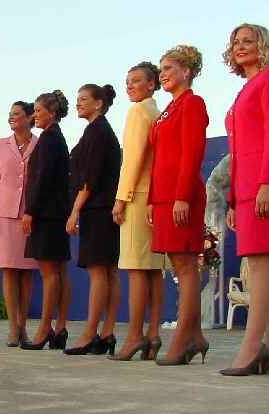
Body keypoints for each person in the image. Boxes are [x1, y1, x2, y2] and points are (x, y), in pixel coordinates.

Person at [221, 24, 269, 376]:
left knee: (262, 263)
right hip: (247, 188)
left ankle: (252, 348)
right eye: (236, 42)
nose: (241, 46)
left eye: (248, 41)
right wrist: (234, 199)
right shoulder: (245, 88)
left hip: (264, 184)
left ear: (263, 45)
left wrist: (268, 182)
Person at [148, 45, 209, 365]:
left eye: (169, 67)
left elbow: (192, 152)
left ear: (187, 71)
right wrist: (152, 198)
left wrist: (182, 196)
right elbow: (159, 157)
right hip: (163, 197)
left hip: (181, 197)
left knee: (185, 267)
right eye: (161, 69)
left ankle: (184, 338)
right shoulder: (168, 110)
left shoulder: (192, 104)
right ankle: (195, 337)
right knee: (177, 264)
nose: (163, 74)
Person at [112, 62, 166, 361]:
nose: (129, 86)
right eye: (127, 81)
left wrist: (121, 198)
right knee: (154, 269)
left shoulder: (138, 112)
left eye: (136, 80)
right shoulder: (157, 112)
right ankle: (153, 334)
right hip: (154, 197)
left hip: (137, 196)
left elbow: (132, 159)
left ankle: (134, 336)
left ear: (151, 84)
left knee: (135, 269)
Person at [64, 84, 121, 356]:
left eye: (84, 99)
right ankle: (107, 333)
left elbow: (91, 177)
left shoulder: (97, 131)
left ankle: (90, 334)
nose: (78, 103)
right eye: (77, 99)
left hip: (98, 209)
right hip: (103, 208)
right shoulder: (98, 130)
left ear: (99, 103)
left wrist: (75, 210)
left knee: (100, 271)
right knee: (109, 271)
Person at [0, 101, 38, 347]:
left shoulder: (40, 144)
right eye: (10, 114)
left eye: (16, 114)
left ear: (29, 117)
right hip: (4, 214)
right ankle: (13, 327)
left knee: (26, 271)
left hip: (30, 215)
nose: (11, 118)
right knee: (9, 270)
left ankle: (23, 326)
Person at [21, 90, 72, 351]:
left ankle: (44, 329)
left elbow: (42, 178)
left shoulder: (49, 139)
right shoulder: (56, 138)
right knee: (59, 271)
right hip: (56, 213)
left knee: (50, 272)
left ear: (51, 113)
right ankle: (59, 327)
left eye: (39, 111)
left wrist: (30, 210)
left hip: (46, 215)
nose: (35, 115)